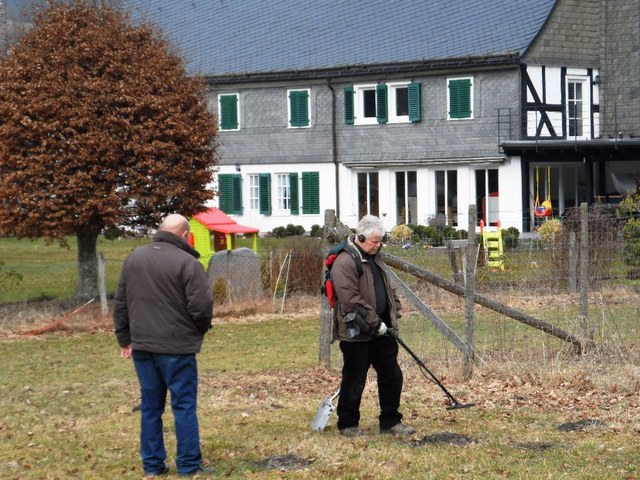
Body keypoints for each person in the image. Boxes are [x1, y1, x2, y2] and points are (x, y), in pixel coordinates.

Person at [113, 214, 214, 477]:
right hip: (177, 348)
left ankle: (153, 466)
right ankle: (189, 465)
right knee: (183, 406)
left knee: (150, 406)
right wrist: (198, 330)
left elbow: (121, 303)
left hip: (143, 346)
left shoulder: (134, 259)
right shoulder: (188, 263)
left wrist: (125, 339)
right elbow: (202, 307)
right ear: (184, 235)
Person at [330, 215, 416, 437]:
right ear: (359, 237)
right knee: (354, 378)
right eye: (374, 241)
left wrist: (393, 308)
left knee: (392, 375)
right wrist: (375, 323)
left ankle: (390, 423)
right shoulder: (345, 261)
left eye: (380, 241)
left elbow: (385, 286)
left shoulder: (375, 258)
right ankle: (348, 425)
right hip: (356, 331)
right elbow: (351, 300)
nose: (378, 245)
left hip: (382, 330)